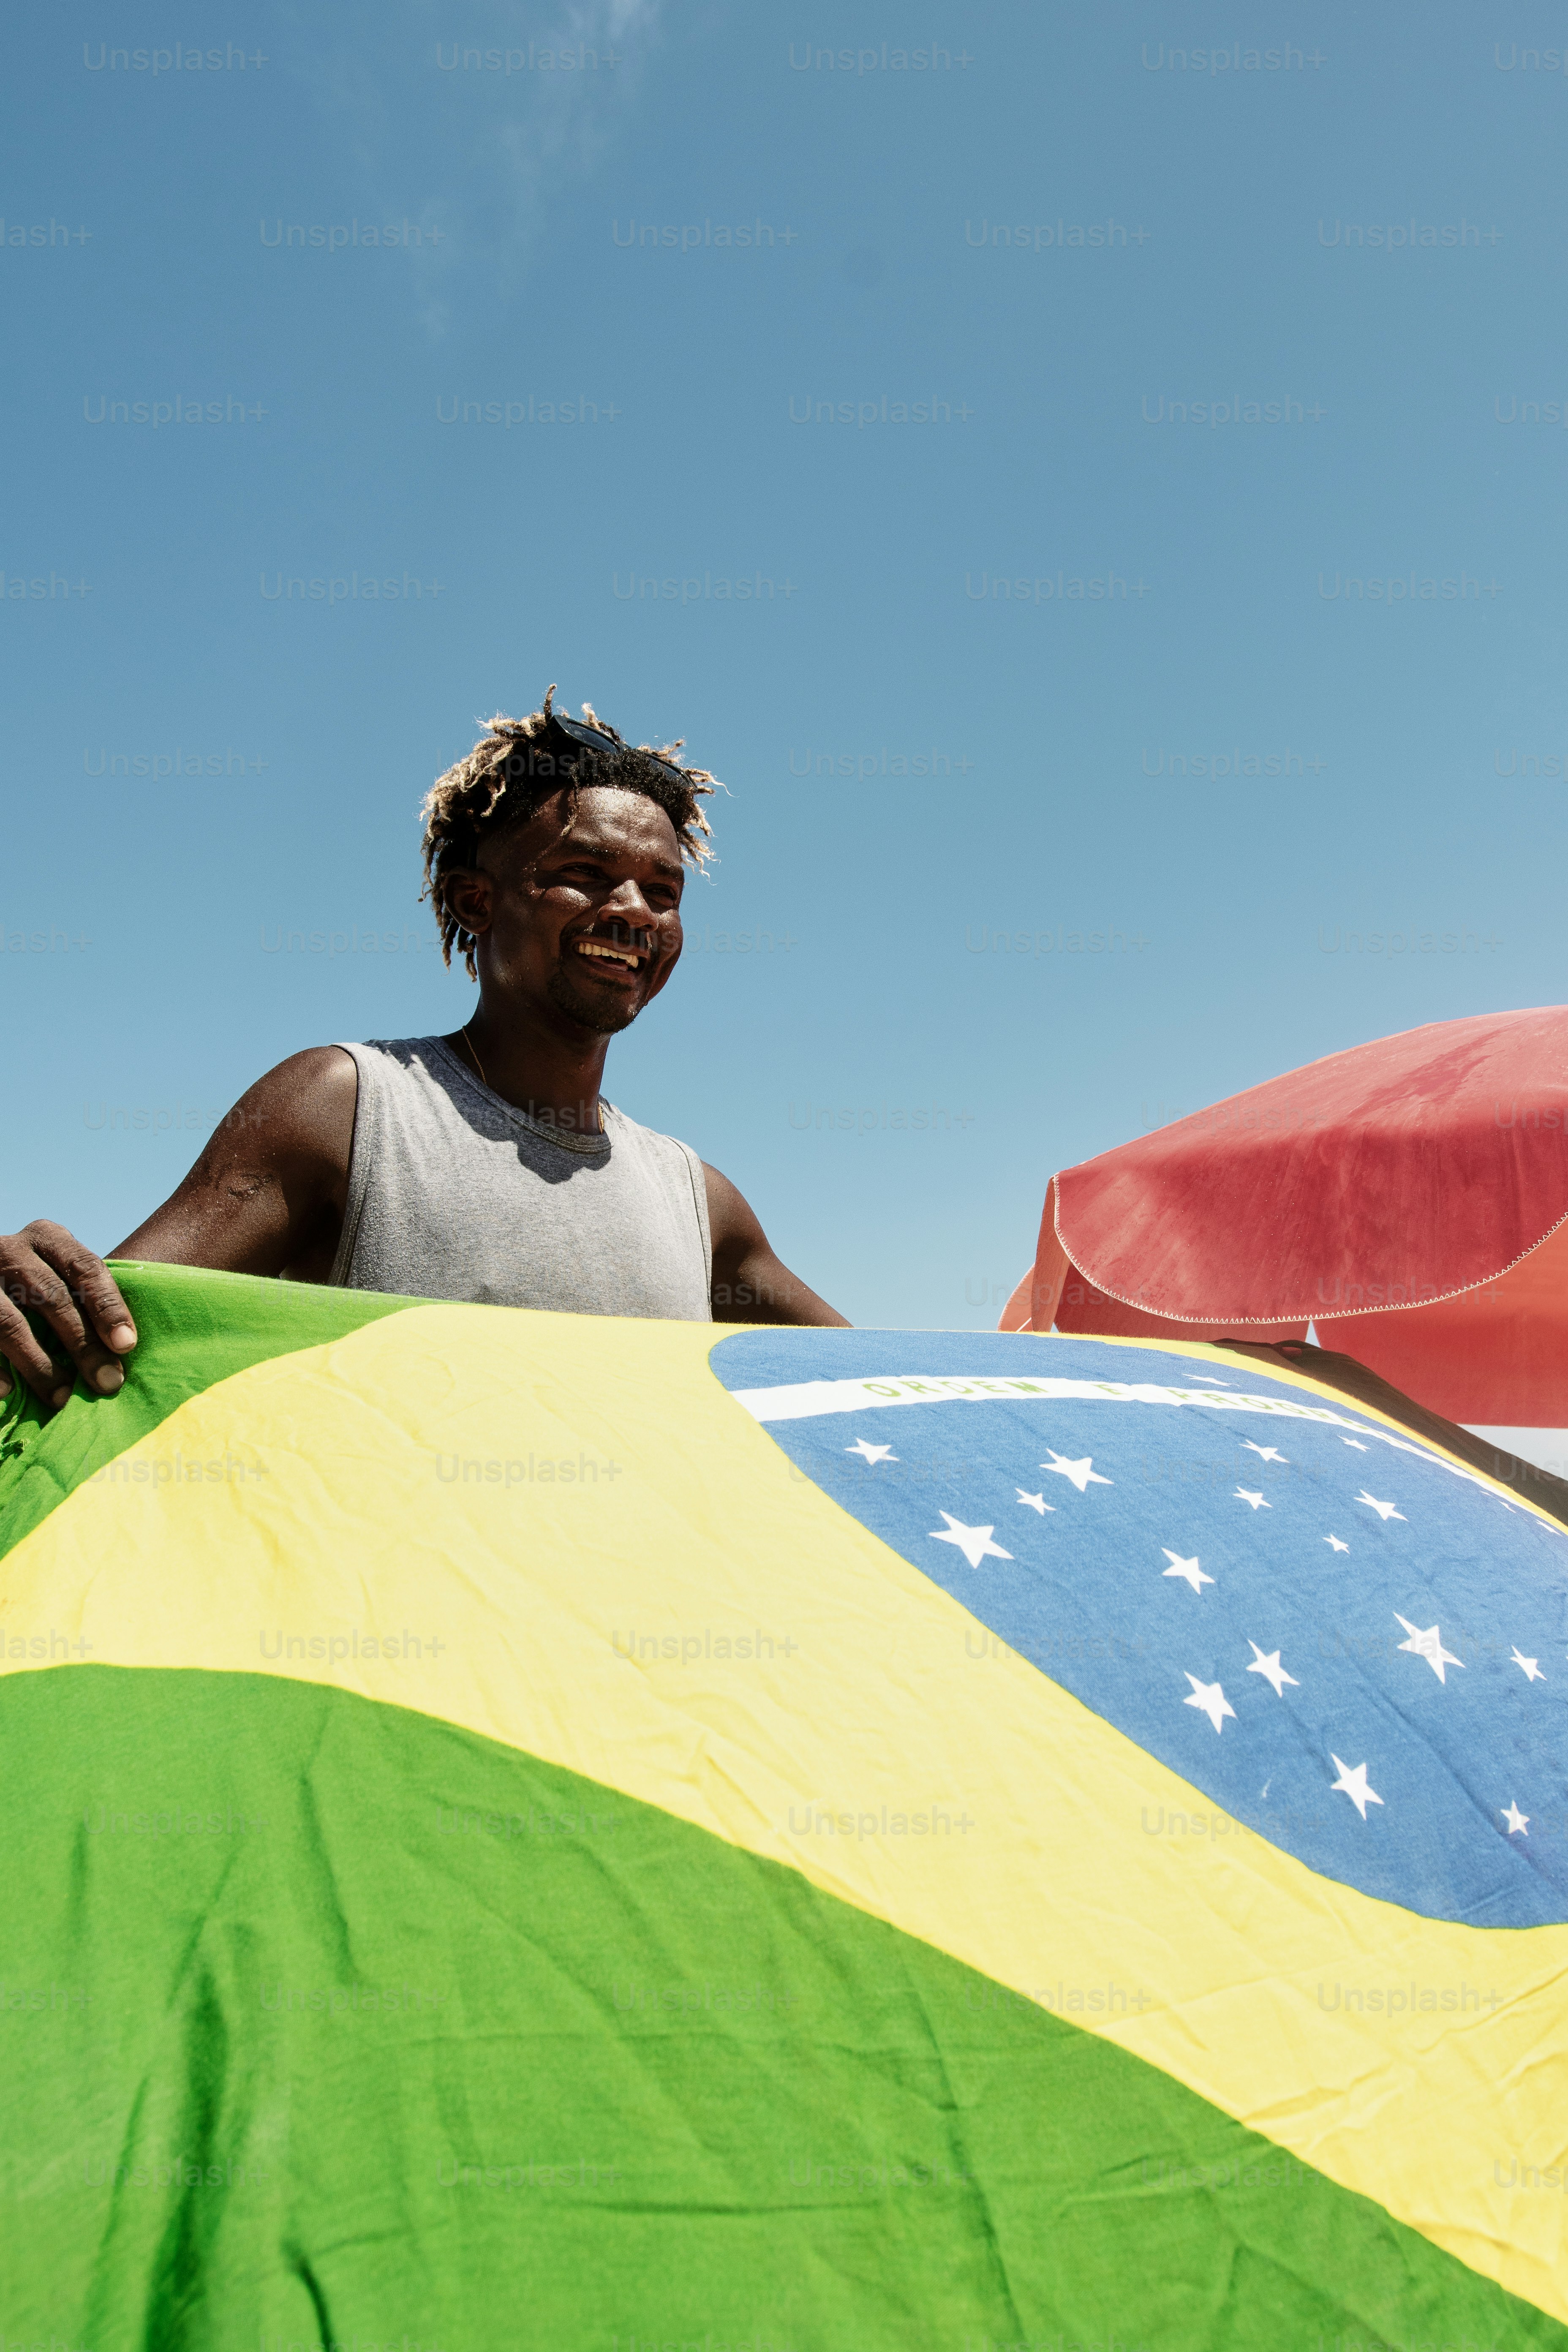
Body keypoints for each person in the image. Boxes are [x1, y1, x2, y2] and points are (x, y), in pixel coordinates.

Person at [0, 689, 848, 1410]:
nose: (634, 910)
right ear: (473, 902)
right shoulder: (344, 1109)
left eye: (663, 892)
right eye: (586, 874)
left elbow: (878, 1384)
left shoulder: (699, 1202)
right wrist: (32, 1296)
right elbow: (98, 1341)